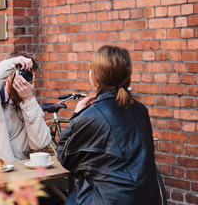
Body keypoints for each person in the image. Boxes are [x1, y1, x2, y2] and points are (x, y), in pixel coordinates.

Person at [58, 45, 163, 205]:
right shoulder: (141, 110)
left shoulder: (92, 115)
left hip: (107, 199)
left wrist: (77, 115)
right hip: (146, 198)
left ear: (96, 77)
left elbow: (66, 159)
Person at [0, 51, 51, 168]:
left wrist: (29, 101)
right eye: (22, 75)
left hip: (18, 176)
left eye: (29, 77)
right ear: (7, 76)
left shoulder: (28, 105)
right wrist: (10, 63)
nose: (25, 81)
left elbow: (41, 143)